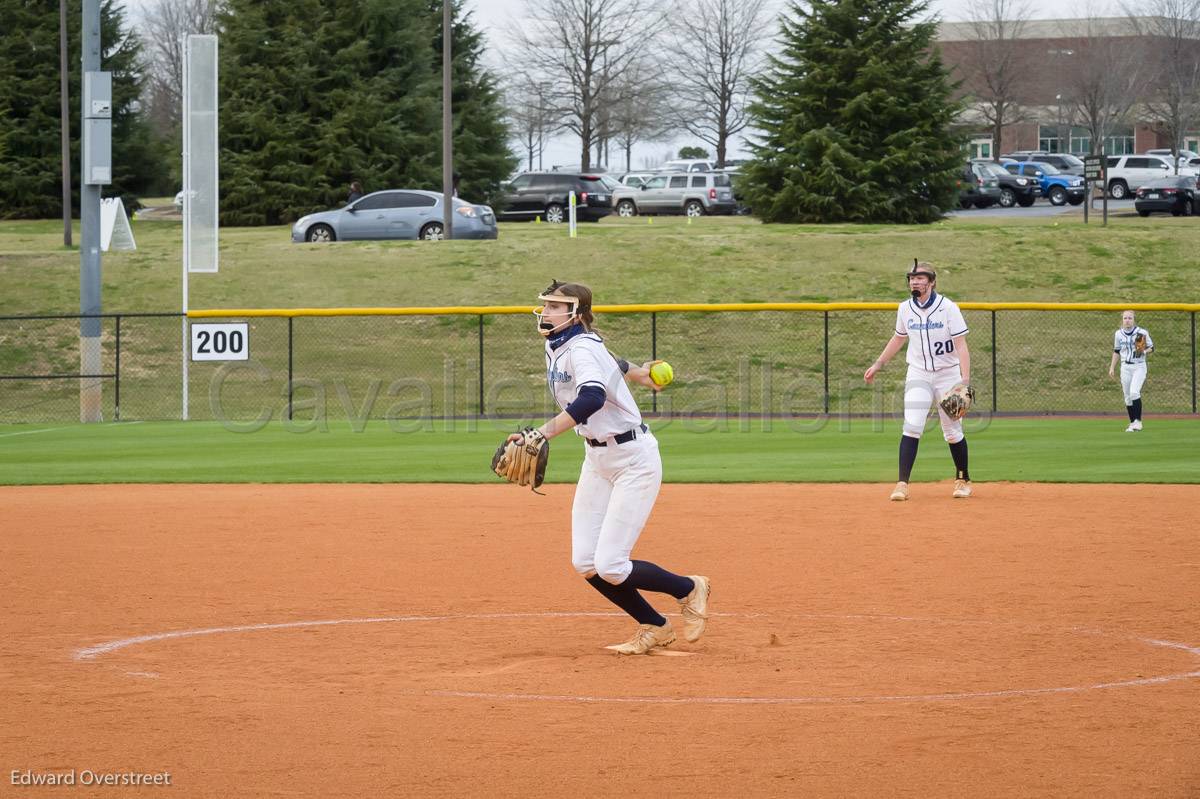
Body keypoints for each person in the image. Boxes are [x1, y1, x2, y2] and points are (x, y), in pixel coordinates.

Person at [506, 279, 710, 655]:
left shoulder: (580, 347)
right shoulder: (563, 343)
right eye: (546, 304)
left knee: (612, 565)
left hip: (634, 459)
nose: (547, 311)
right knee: (586, 561)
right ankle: (655, 625)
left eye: (555, 306)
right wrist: (640, 373)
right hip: (597, 459)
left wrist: (542, 433)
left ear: (576, 314)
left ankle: (689, 588)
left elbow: (594, 397)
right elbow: (612, 362)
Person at [863, 262, 973, 501]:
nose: (915, 282)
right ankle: (902, 484)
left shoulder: (948, 308)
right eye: (912, 278)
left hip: (948, 373)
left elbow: (961, 346)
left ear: (932, 282)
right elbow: (898, 338)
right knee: (911, 426)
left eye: (921, 278)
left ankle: (963, 479)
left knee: (952, 431)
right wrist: (878, 364)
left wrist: (964, 380)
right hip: (918, 374)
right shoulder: (905, 309)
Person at [1109, 310, 1153, 432]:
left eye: (1130, 318)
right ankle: (1133, 423)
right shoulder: (1118, 334)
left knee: (1134, 392)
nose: (1127, 320)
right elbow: (1116, 351)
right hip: (1125, 367)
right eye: (1125, 318)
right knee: (1127, 397)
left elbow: (1151, 347)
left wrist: (1144, 351)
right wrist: (1112, 367)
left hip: (1139, 366)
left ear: (1134, 320)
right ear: (1122, 320)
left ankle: (1138, 422)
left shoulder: (1141, 332)